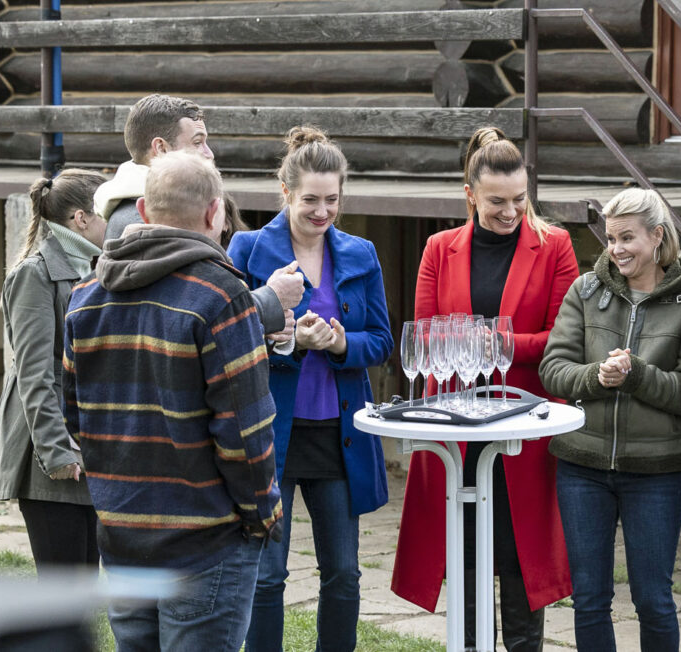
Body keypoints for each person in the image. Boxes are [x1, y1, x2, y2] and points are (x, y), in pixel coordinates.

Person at [62, 152, 283, 651]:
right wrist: (262, 513)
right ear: (215, 214)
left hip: (122, 537)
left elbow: (76, 419)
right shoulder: (222, 295)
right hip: (205, 543)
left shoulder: (85, 296)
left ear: (143, 209)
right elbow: (246, 433)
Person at [391, 126, 579, 651]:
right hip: (457, 427)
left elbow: (563, 339)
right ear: (470, 194)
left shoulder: (556, 245)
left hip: (525, 427)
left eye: (520, 199)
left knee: (522, 558)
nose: (511, 211)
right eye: (497, 201)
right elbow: (428, 337)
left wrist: (493, 344)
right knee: (466, 551)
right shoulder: (437, 248)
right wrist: (476, 346)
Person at [228, 127, 394, 652]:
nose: (322, 212)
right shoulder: (249, 248)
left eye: (332, 200)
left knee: (344, 572)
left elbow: (382, 340)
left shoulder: (362, 253)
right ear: (285, 191)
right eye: (310, 201)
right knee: (268, 576)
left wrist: (344, 343)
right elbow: (228, 338)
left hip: (338, 436)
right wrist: (290, 340)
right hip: (269, 433)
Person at [540, 188, 681, 651]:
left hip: (655, 473)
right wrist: (598, 375)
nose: (616, 249)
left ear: (657, 236)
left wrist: (638, 375)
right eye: (611, 238)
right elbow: (553, 369)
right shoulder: (586, 289)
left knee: (653, 599)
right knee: (590, 599)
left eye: (627, 238)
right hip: (582, 468)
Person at [94, 93, 302, 336]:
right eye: (197, 142)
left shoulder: (138, 211)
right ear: (161, 149)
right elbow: (181, 313)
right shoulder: (139, 222)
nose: (209, 153)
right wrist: (271, 299)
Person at [0, 170, 107, 572]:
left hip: (85, 446)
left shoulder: (97, 268)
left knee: (85, 582)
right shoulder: (34, 274)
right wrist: (57, 453)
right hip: (50, 456)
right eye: (107, 212)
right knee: (64, 587)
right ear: (81, 219)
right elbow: (34, 375)